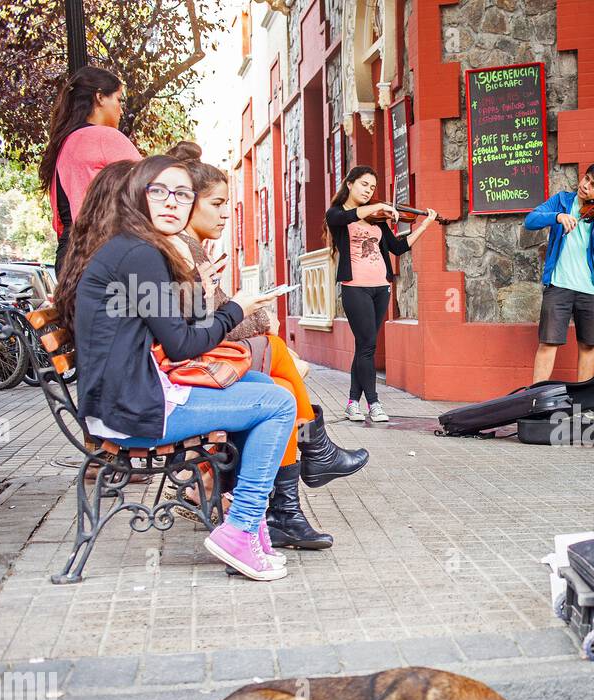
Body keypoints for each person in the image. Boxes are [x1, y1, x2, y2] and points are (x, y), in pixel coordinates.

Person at [54, 154, 290, 581]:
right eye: (159, 191)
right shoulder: (140, 254)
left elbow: (175, 331)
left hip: (120, 402)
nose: (172, 202)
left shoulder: (129, 248)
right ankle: (241, 527)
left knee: (256, 381)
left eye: (182, 194)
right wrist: (236, 308)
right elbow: (181, 344)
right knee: (278, 403)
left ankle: (249, 524)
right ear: (136, 196)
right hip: (131, 412)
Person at [165, 142, 369, 550]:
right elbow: (203, 323)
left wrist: (249, 314)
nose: (225, 215)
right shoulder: (180, 249)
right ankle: (306, 467)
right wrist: (254, 316)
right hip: (185, 374)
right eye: (217, 204)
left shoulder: (187, 248)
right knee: (278, 366)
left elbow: (209, 313)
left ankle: (293, 495)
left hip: (191, 364)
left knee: (280, 374)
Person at [324, 165, 437, 423]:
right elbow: (349, 216)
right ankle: (374, 403)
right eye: (364, 184)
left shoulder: (377, 220)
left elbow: (397, 247)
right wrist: (379, 207)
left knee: (364, 347)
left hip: (381, 288)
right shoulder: (337, 215)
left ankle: (353, 403)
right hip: (355, 288)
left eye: (373, 187)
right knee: (368, 346)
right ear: (350, 183)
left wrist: (425, 224)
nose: (369, 190)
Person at [524, 159, 594, 383]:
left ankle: (583, 401)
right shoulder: (561, 200)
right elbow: (530, 221)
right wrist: (557, 217)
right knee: (548, 343)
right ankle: (536, 398)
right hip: (558, 285)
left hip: (591, 288)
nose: (585, 186)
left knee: (588, 346)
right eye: (586, 179)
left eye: (593, 186)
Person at [38, 65, 142, 272]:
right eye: (118, 99)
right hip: (101, 250)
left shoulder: (63, 143)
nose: (121, 109)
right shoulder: (104, 137)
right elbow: (153, 187)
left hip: (68, 255)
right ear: (100, 97)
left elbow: (61, 220)